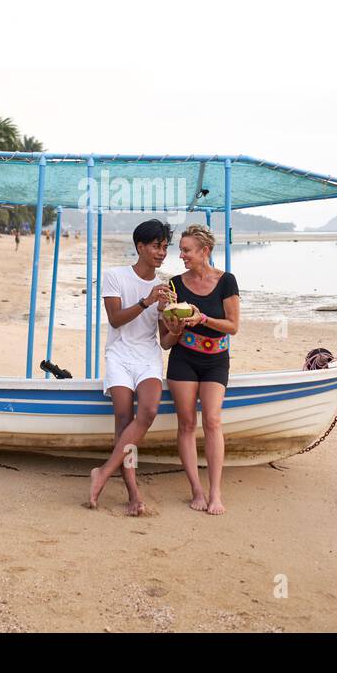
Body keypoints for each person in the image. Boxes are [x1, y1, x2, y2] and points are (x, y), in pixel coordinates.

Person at [87, 220, 173, 515]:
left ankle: (103, 472)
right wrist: (147, 301)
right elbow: (115, 319)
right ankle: (133, 492)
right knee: (124, 423)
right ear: (140, 247)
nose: (161, 252)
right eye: (156, 246)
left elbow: (164, 341)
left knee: (147, 412)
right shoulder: (115, 276)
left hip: (148, 358)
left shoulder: (166, 289)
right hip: (120, 357)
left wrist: (179, 326)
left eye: (165, 246)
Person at [162, 224, 240, 515]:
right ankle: (196, 489)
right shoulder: (174, 285)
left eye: (187, 251)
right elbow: (166, 342)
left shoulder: (227, 281)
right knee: (186, 424)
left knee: (212, 420)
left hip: (216, 360)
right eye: (180, 250)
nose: (181, 256)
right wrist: (176, 327)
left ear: (204, 251)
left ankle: (216, 492)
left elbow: (233, 326)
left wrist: (202, 317)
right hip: (183, 358)